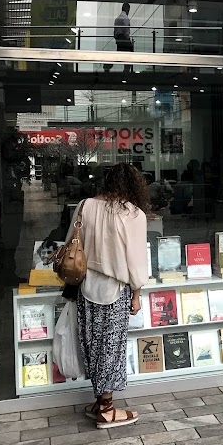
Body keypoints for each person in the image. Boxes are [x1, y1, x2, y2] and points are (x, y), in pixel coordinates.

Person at [64, 163, 149, 428]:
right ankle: (107, 409)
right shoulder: (133, 213)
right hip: (116, 290)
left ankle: (99, 402)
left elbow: (70, 244)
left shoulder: (85, 206)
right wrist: (136, 294)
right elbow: (137, 261)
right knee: (111, 347)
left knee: (92, 344)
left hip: (86, 286)